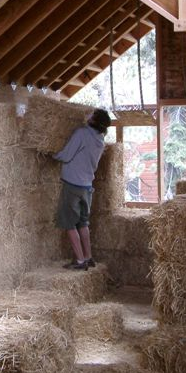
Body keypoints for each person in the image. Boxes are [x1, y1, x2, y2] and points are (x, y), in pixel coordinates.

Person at [53, 108, 111, 270]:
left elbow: (66, 155)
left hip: (72, 184)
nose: (88, 114)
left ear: (94, 120)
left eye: (91, 114)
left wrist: (53, 154)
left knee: (69, 223)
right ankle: (88, 257)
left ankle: (79, 261)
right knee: (83, 223)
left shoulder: (82, 133)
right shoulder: (100, 139)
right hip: (87, 186)